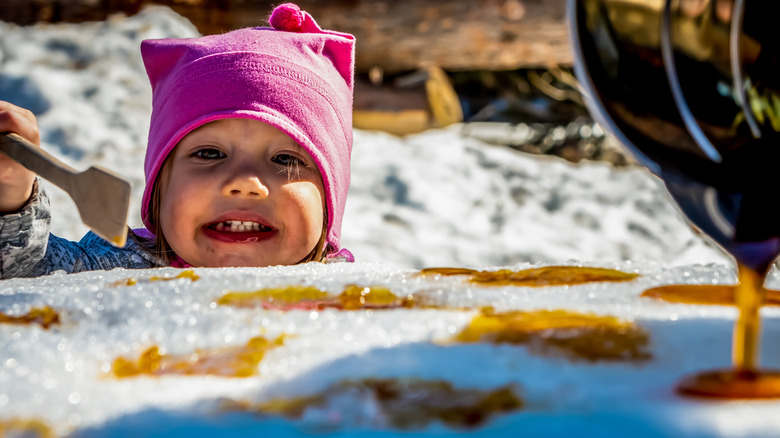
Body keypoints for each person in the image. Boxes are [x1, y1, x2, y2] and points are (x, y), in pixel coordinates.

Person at [0, 3, 355, 278]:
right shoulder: (113, 273)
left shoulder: (353, 303)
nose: (245, 183)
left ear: (329, 203)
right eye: (210, 152)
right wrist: (10, 197)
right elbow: (23, 276)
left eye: (284, 159)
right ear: (160, 187)